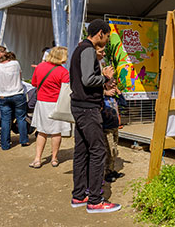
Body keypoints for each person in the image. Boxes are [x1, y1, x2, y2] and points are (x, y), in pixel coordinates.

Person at [69, 19, 121, 213]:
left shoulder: (79, 49)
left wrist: (102, 85)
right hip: (88, 109)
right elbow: (88, 79)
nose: (106, 41)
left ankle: (79, 195)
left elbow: (84, 80)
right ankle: (95, 201)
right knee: (99, 151)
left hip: (79, 106)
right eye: (107, 37)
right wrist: (105, 77)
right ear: (100, 33)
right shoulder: (88, 50)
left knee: (82, 152)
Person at [29, 46, 71, 168]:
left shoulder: (40, 67)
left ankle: (37, 159)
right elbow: (66, 90)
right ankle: (54, 158)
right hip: (57, 104)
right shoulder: (63, 72)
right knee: (56, 133)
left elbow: (34, 83)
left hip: (42, 103)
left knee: (42, 131)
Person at [0, 51, 29, 150]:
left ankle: (5, 144)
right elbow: (19, 76)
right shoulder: (16, 64)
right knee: (21, 118)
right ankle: (24, 140)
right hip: (17, 94)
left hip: (2, 96)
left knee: (6, 120)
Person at [95, 46, 124, 183]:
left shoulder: (114, 97)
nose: (113, 85)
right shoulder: (104, 97)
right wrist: (105, 92)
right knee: (109, 151)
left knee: (115, 150)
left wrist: (119, 92)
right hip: (105, 127)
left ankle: (112, 170)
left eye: (114, 83)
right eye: (110, 83)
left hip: (115, 126)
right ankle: (107, 172)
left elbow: (123, 104)